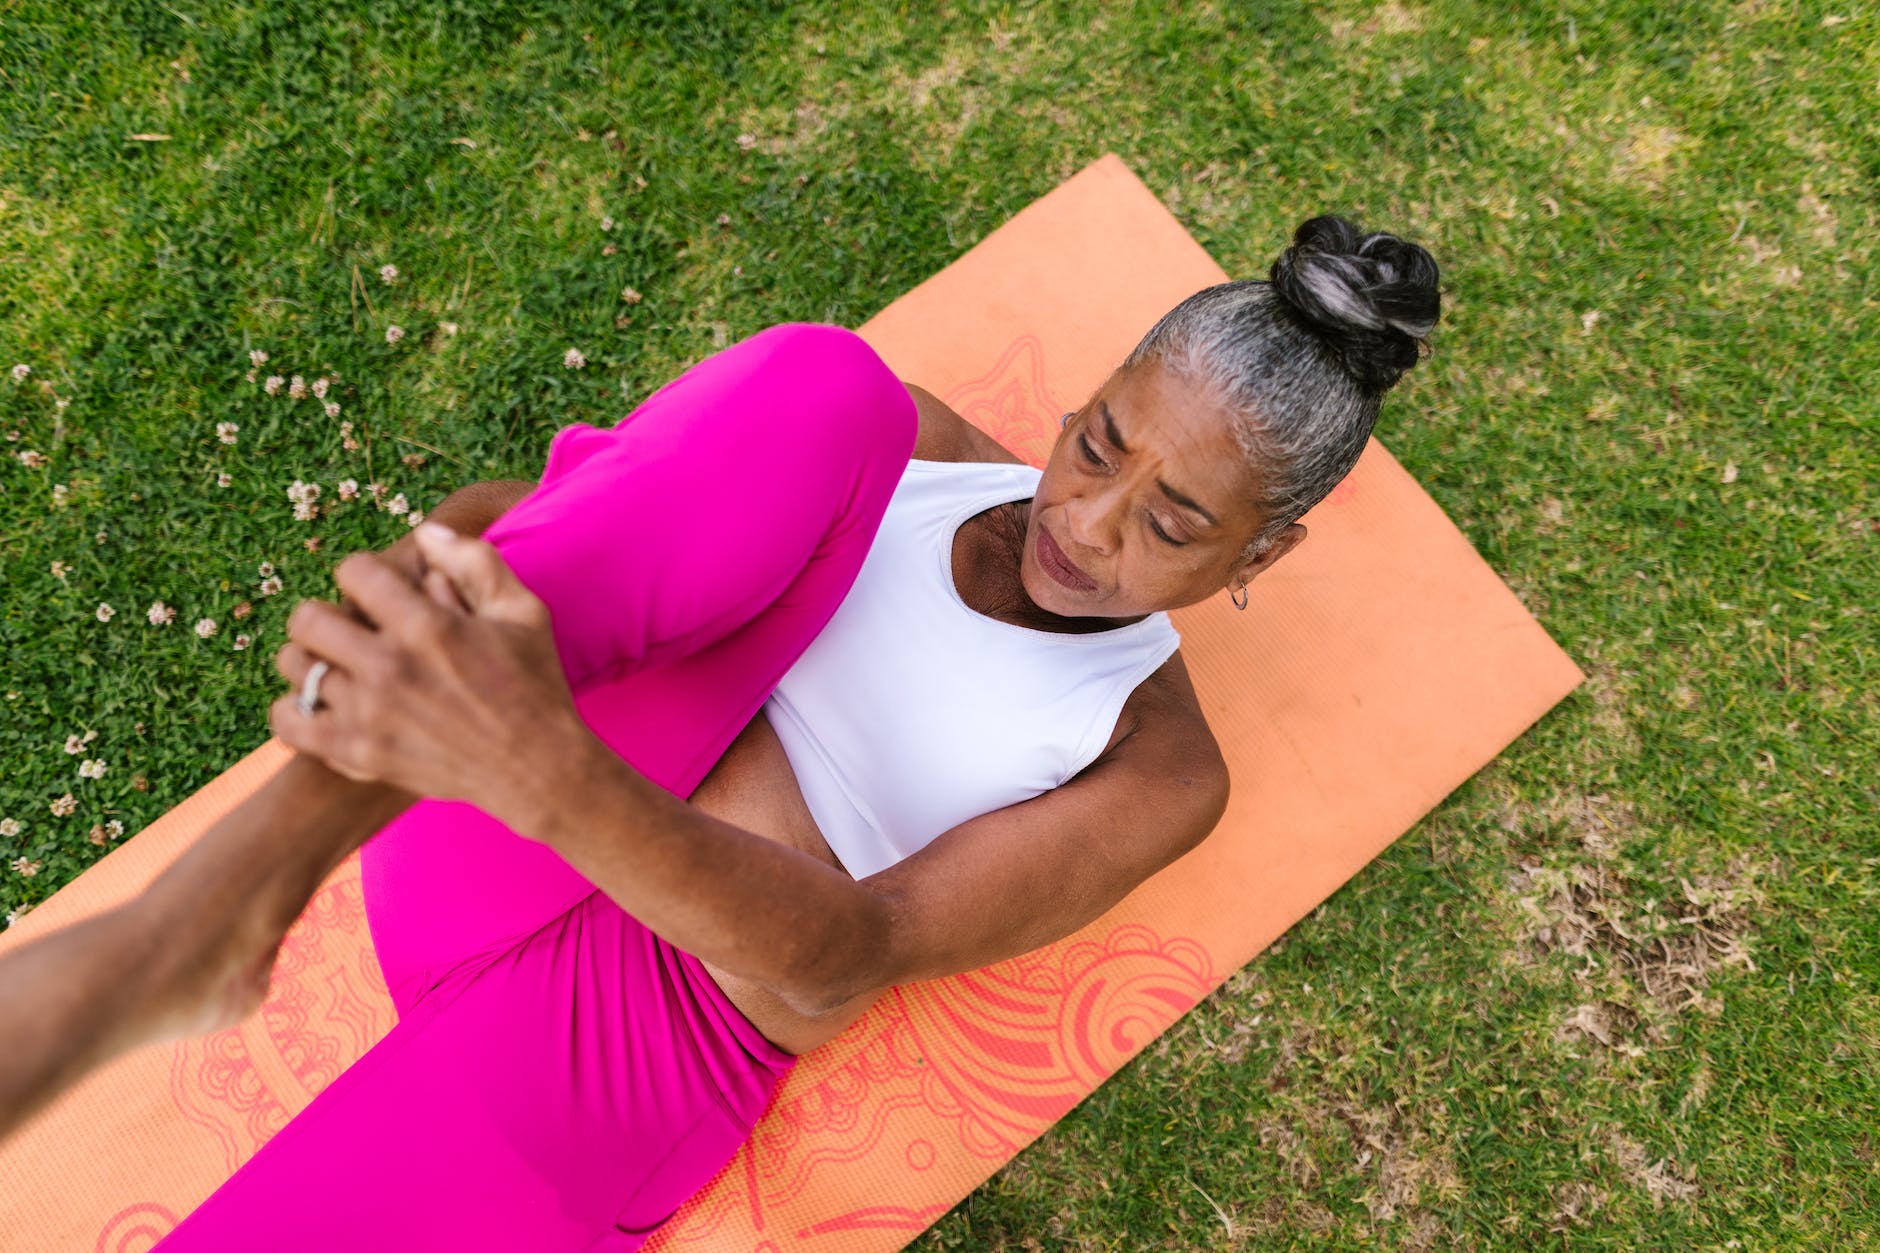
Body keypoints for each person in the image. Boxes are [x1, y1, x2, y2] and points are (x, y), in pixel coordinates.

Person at [1, 215, 1438, 1249]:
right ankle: (210, 910)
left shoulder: (1157, 760)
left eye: (1172, 524)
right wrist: (506, 600)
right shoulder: (915, 447)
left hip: (636, 1028)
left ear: (1271, 550)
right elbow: (571, 526)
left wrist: (545, 765)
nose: (1085, 523)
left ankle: (228, 904)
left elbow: (851, 951)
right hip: (486, 817)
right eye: (1099, 444)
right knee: (827, 387)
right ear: (1087, 395)